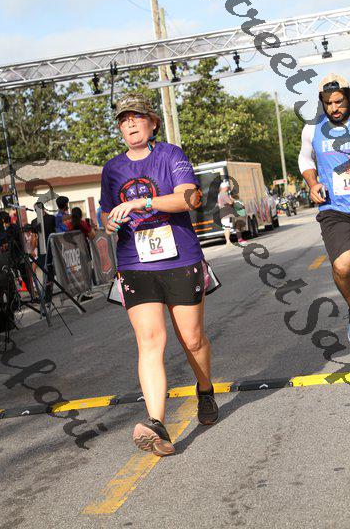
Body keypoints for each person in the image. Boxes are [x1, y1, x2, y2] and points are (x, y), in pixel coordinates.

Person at [101, 93, 219, 456]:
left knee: (192, 340)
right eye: (124, 120)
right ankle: (156, 424)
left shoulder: (170, 155)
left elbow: (187, 199)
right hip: (134, 263)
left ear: (152, 123)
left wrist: (144, 202)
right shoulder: (112, 169)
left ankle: (205, 390)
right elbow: (107, 214)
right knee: (150, 341)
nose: (130, 124)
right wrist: (109, 223)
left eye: (136, 117)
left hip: (180, 259)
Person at [298, 73, 350, 345]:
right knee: (342, 264)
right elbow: (305, 159)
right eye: (328, 103)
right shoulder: (312, 128)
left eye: (339, 101)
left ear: (348, 98)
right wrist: (313, 182)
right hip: (333, 208)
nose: (334, 108)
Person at [217, 180, 247, 246]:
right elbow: (230, 202)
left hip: (223, 213)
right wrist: (233, 200)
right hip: (226, 213)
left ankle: (228, 241)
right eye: (227, 187)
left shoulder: (220, 194)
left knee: (227, 228)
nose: (228, 189)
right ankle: (228, 241)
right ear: (224, 187)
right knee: (227, 228)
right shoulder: (224, 194)